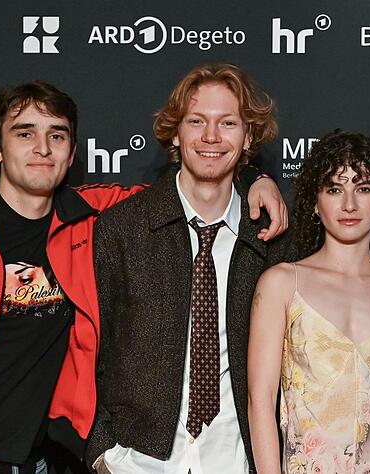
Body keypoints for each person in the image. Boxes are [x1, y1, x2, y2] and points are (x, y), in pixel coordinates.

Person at [0, 80, 286, 473]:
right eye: (24, 134)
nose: (42, 149)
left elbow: (199, 184)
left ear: (72, 150)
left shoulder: (97, 215)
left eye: (56, 135)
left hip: (34, 463)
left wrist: (253, 181)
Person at [85, 63, 295, 474]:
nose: (211, 137)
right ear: (176, 134)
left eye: (228, 123)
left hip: (237, 459)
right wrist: (103, 453)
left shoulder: (274, 237)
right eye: (196, 121)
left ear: (248, 136)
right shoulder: (122, 228)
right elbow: (91, 345)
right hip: (138, 462)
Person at [248, 130, 370, 473]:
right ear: (315, 202)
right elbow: (260, 403)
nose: (349, 204)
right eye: (335, 189)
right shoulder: (281, 284)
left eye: (363, 188)